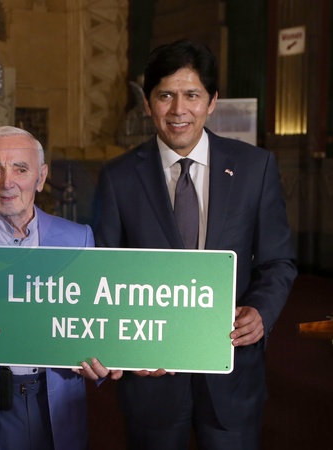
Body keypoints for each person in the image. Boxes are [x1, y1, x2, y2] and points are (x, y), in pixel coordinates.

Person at [92, 39, 297, 449]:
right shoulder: (117, 178)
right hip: (151, 378)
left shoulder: (255, 167)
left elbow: (278, 261)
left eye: (192, 95)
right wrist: (124, 347)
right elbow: (102, 275)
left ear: (212, 101)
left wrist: (261, 311)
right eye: (165, 95)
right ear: (148, 103)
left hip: (231, 371)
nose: (178, 109)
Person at [0, 125, 118, 450]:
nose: (7, 182)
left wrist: (103, 360)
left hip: (56, 409)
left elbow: (95, 322)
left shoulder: (79, 238)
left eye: (20, 169)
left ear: (41, 177)